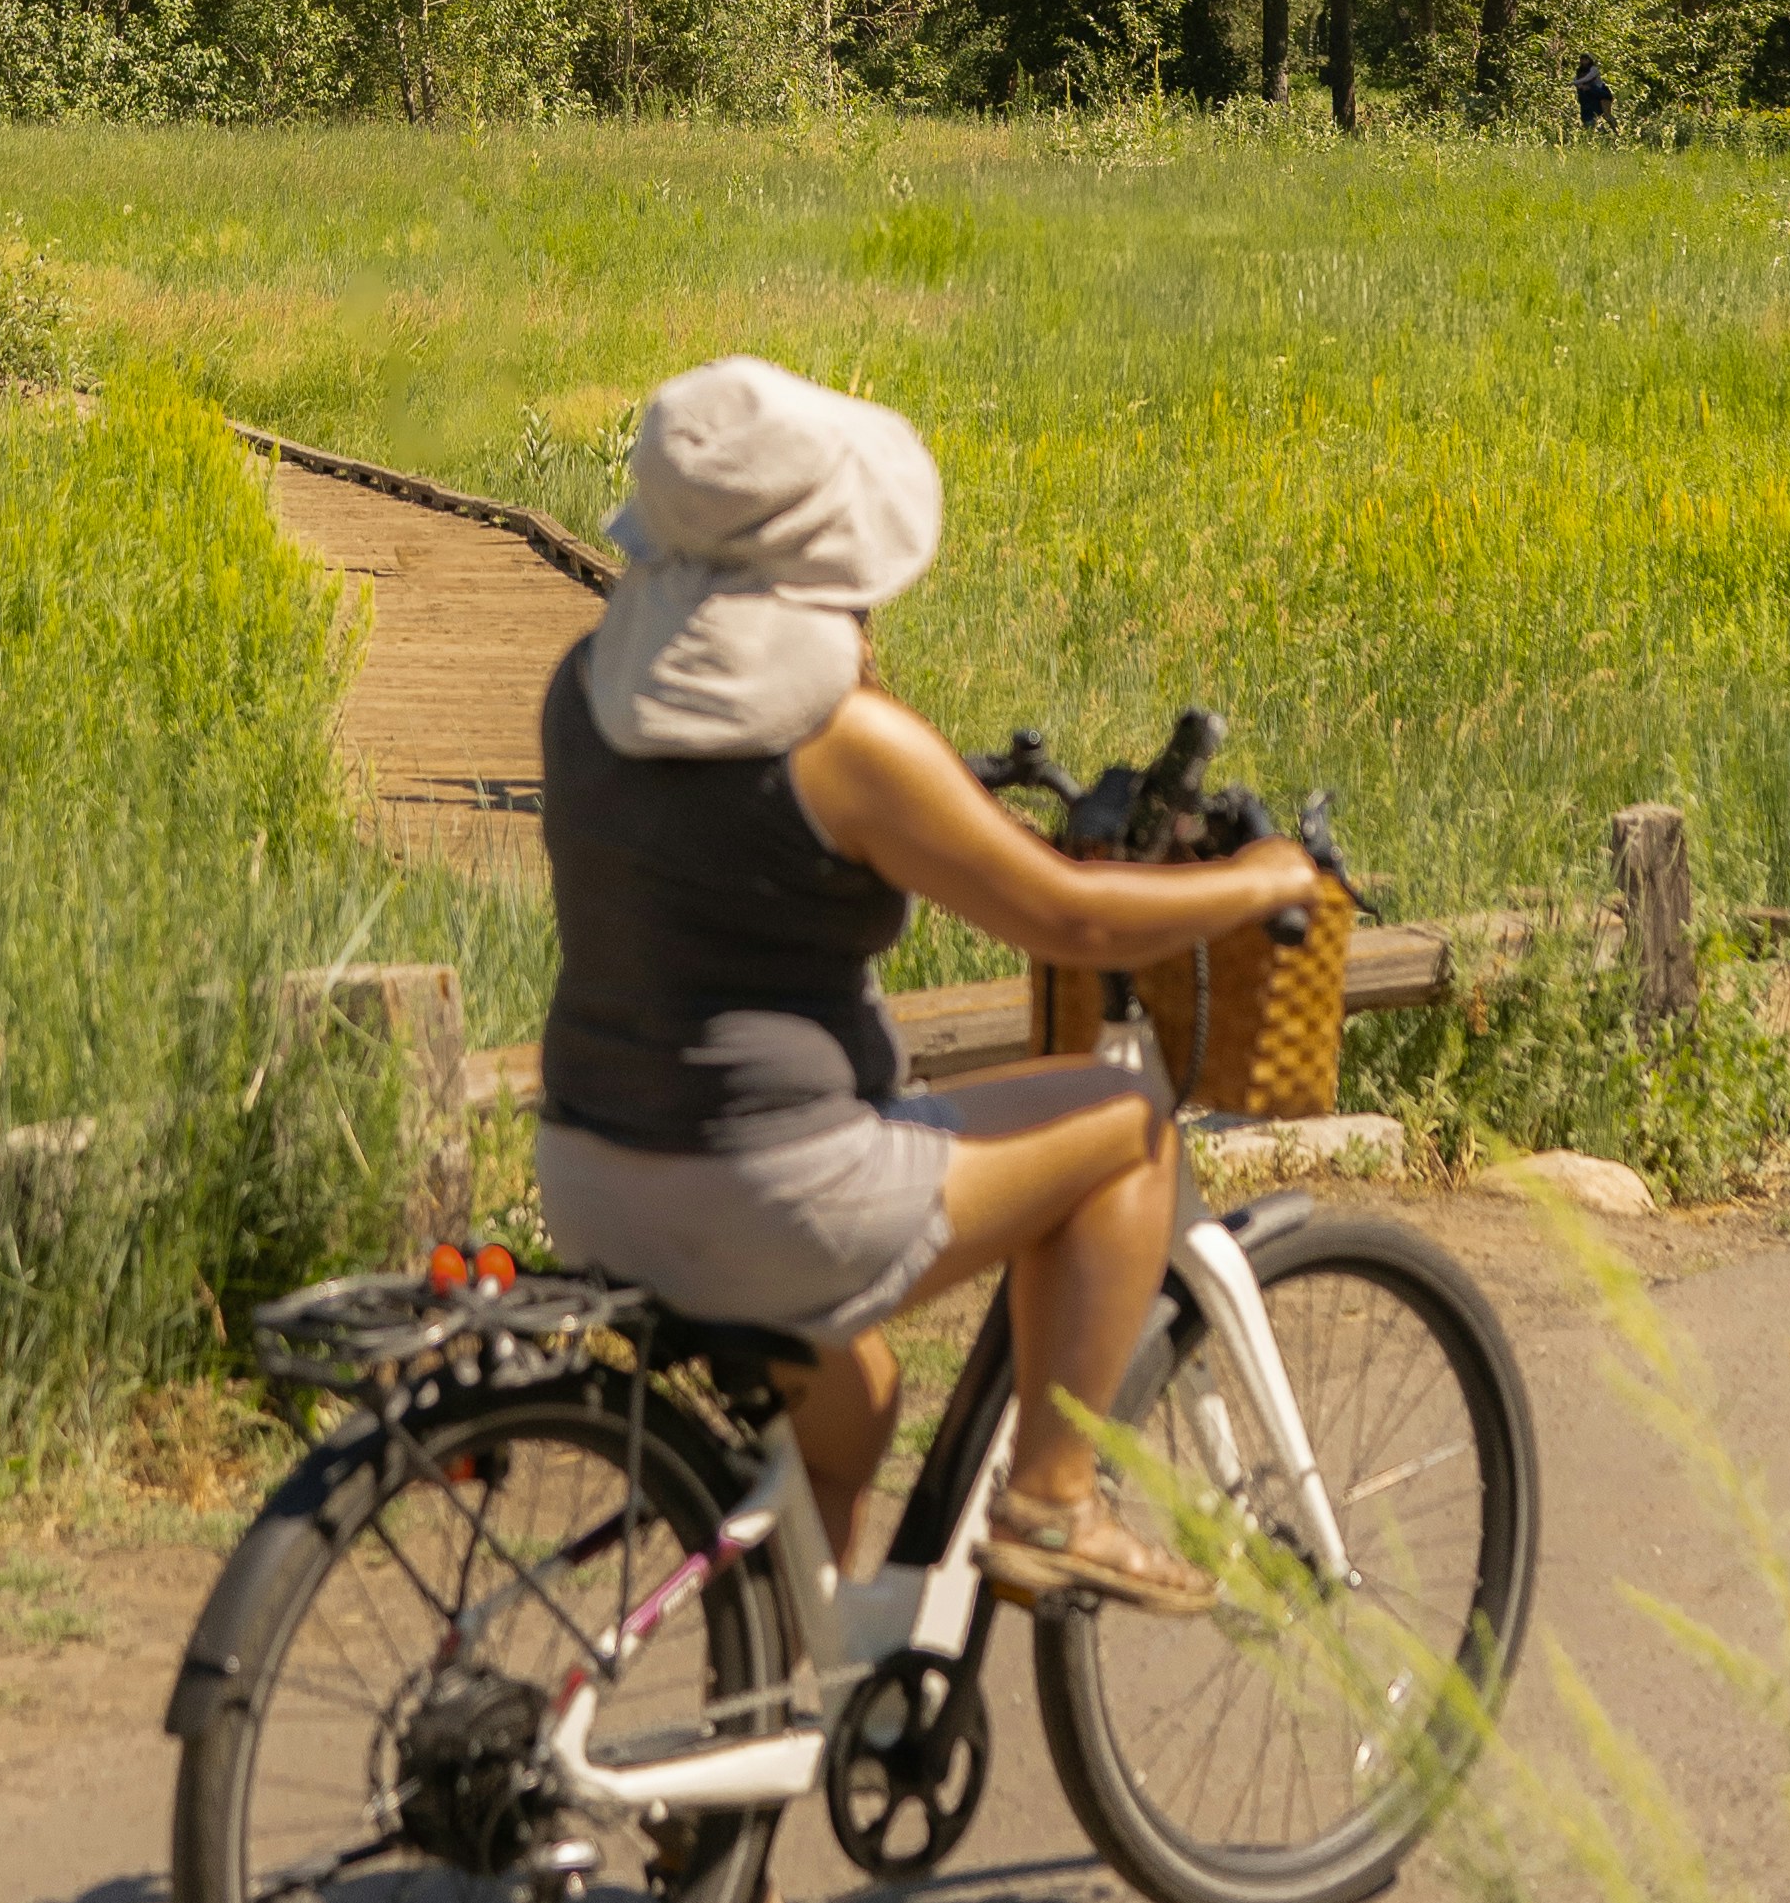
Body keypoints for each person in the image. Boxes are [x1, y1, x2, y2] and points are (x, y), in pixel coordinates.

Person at [533, 354, 1321, 1623]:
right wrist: (1255, 881)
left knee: (856, 1412)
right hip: (774, 1195)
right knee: (1125, 1128)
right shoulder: (846, 743)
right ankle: (1054, 1504)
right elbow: (1070, 912)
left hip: (591, 1174)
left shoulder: (585, 687)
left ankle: (789, 1705)